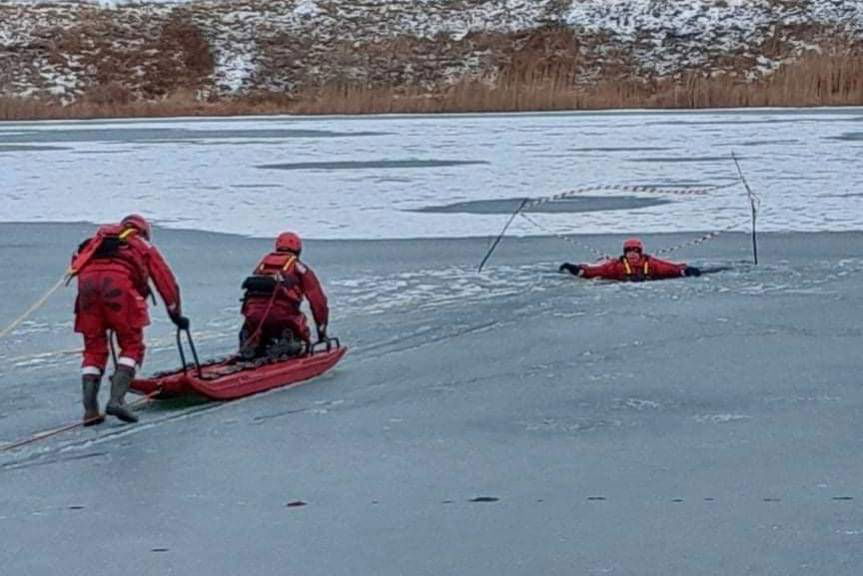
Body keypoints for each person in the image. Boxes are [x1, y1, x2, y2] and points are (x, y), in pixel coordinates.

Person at [70, 214, 187, 424]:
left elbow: (76, 265)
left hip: (87, 292)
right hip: (119, 291)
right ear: (143, 231)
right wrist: (175, 313)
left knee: (94, 349)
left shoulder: (95, 242)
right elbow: (164, 279)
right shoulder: (140, 244)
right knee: (132, 345)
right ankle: (117, 400)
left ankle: (90, 410)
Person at [239, 232, 329, 359]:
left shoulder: (263, 265)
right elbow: (318, 301)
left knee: (254, 324)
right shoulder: (299, 268)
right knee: (299, 332)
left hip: (253, 314)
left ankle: (252, 345)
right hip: (283, 314)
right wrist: (321, 329)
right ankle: (288, 344)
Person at [559, 238, 701, 281]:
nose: (632, 254)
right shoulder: (616, 266)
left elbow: (669, 268)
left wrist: (686, 270)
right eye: (629, 251)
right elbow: (595, 271)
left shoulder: (651, 263)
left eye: (635, 251)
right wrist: (575, 269)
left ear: (640, 252)